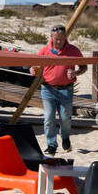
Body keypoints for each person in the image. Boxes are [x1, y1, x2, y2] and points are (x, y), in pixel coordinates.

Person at [34, 24, 86, 155]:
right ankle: (51, 145)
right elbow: (35, 67)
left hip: (66, 89)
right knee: (48, 118)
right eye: (56, 39)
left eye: (61, 39)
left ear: (65, 37)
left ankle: (65, 137)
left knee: (65, 117)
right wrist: (33, 70)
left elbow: (84, 67)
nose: (58, 42)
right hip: (47, 89)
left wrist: (76, 73)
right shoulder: (44, 51)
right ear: (51, 37)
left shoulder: (73, 50)